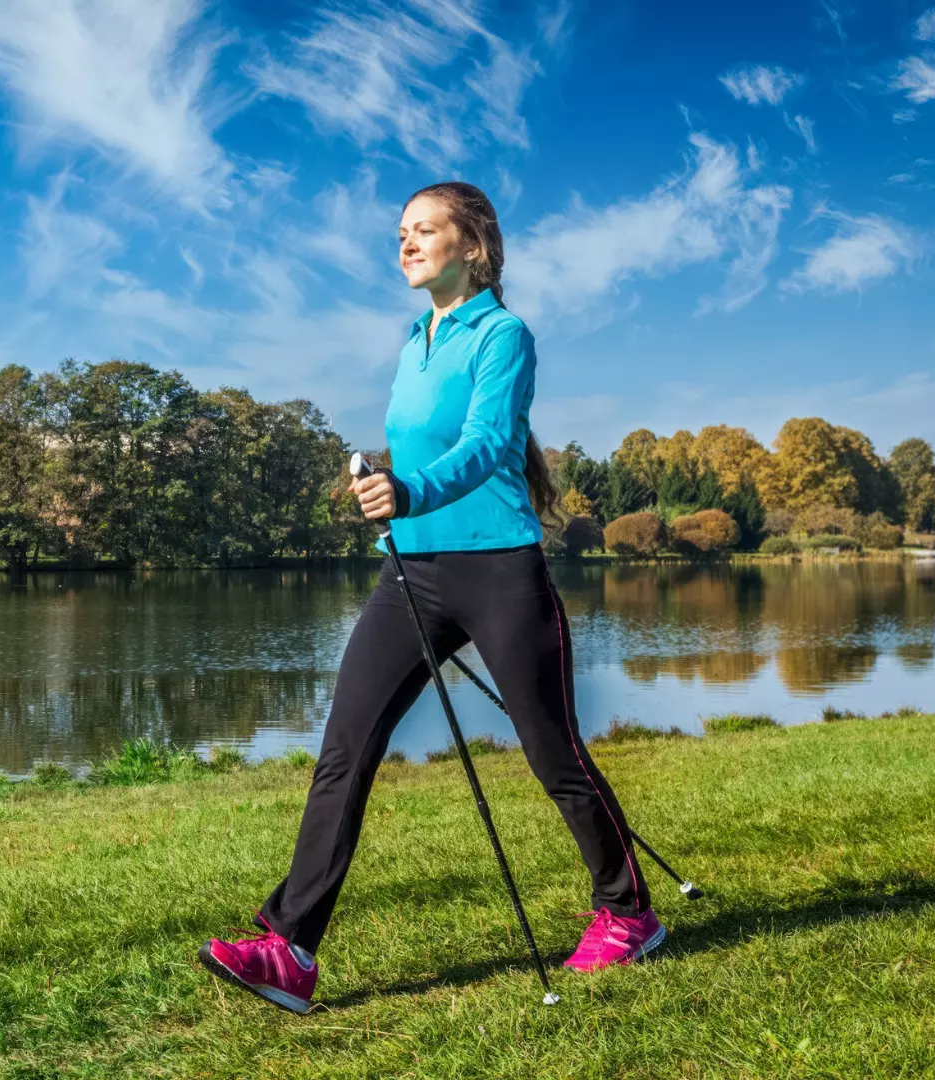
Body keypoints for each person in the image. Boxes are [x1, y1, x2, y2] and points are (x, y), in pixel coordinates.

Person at [198, 181, 663, 1015]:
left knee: (553, 756)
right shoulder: (415, 339)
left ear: (473, 246)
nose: (405, 244)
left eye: (424, 230)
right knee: (346, 749)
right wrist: (384, 490)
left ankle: (628, 913)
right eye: (401, 233)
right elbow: (413, 451)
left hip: (499, 571)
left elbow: (489, 443)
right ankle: (291, 949)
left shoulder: (504, 335)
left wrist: (408, 490)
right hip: (410, 572)